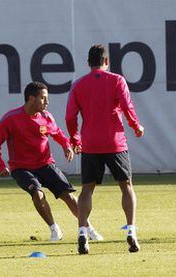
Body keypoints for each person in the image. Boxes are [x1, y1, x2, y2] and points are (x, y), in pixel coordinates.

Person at [0, 81, 103, 243]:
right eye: (43, 98)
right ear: (31, 98)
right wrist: (0, 165)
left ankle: (87, 228)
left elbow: (58, 133)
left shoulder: (46, 117)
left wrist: (66, 146)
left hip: (45, 164)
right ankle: (54, 229)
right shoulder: (11, 119)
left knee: (68, 196)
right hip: (22, 168)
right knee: (38, 194)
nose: (47, 102)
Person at [66, 44, 145, 254]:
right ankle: (131, 231)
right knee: (126, 186)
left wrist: (75, 138)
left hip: (91, 143)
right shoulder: (117, 80)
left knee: (87, 189)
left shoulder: (79, 85)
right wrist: (136, 126)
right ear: (106, 61)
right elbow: (128, 106)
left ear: (88, 63)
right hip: (115, 142)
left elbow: (70, 116)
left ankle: (82, 232)